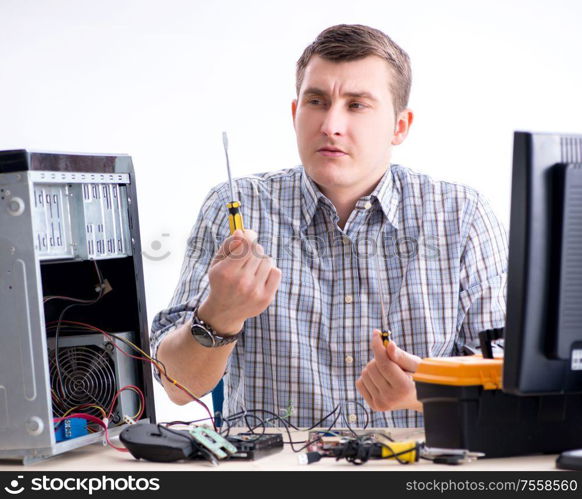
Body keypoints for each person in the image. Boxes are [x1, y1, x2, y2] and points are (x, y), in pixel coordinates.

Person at [150, 24, 507, 428]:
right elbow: (177, 386)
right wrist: (219, 316)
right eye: (316, 101)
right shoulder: (236, 207)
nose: (330, 125)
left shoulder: (461, 216)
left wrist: (422, 396)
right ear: (294, 113)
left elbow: (512, 386)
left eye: (356, 105)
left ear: (400, 127)